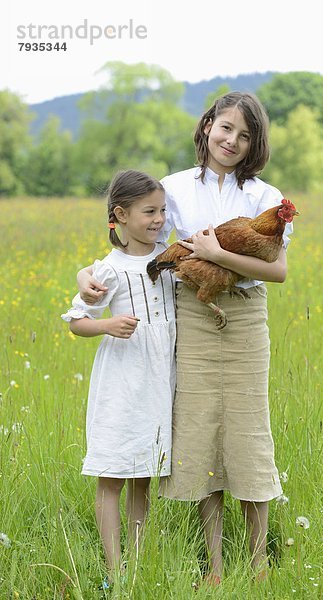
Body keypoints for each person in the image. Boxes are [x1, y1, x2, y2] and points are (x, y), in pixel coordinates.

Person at [77, 92, 293, 584]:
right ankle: (214, 567)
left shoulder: (265, 197)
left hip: (243, 318)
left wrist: (219, 252)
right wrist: (85, 274)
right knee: (201, 434)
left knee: (247, 432)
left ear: (255, 143)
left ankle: (258, 564)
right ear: (207, 127)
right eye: (225, 128)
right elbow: (135, 239)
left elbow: (276, 271)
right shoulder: (174, 189)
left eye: (244, 135)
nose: (231, 141)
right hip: (192, 314)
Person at [62, 169, 176, 586]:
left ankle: (139, 561)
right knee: (113, 474)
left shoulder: (169, 256)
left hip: (159, 379)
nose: (158, 219)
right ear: (120, 215)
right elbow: (77, 321)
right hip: (123, 381)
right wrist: (107, 326)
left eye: (162, 210)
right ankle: (115, 568)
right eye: (148, 211)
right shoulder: (107, 270)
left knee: (143, 473)